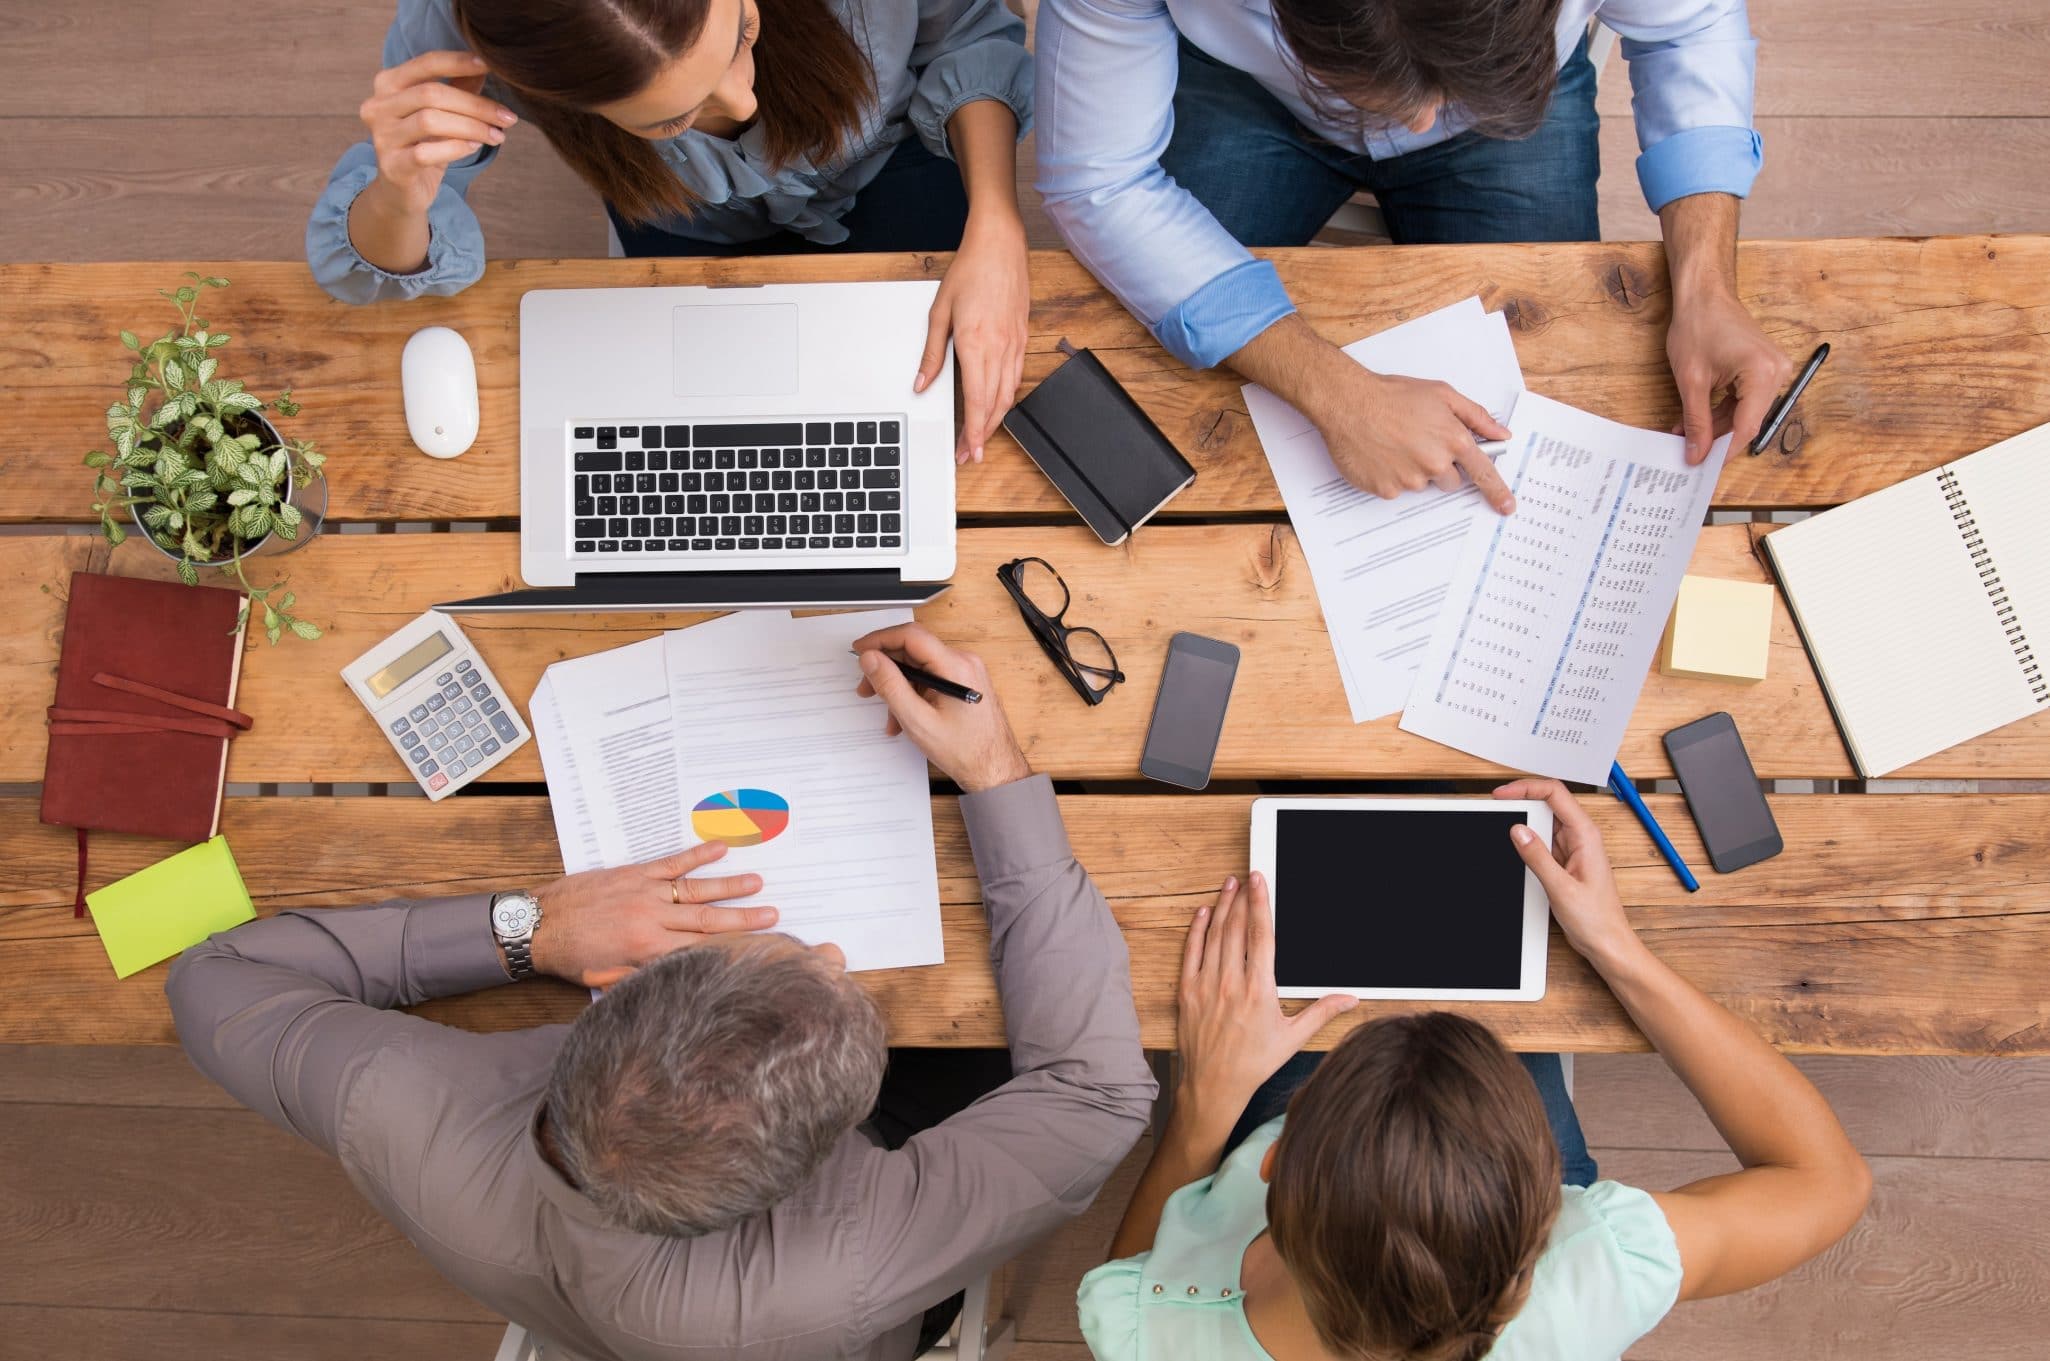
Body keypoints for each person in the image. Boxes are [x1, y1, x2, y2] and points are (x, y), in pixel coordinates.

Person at [168, 622, 1156, 1361]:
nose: (828, 956)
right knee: (1014, 1038)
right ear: (812, 1170)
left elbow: (214, 975)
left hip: (579, 1284)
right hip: (840, 1323)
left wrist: (533, 928)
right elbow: (1101, 1093)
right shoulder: (847, 1258)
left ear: (613, 1006)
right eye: (824, 975)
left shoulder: (393, 1104)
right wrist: (994, 771)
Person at [1079, 777, 1871, 1361]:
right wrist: (1617, 950)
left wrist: (1201, 1111)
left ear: (1279, 1163)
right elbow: (1829, 1180)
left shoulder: (1148, 1331)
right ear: (1547, 1224)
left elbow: (1131, 1274)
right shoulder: (1595, 1271)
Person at [1034, 0, 1796, 506]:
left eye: (1439, 100)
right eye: (1393, 93)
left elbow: (1690, 28)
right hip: (1247, 87)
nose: (1425, 123)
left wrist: (1705, 288)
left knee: (1547, 423)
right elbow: (1100, 179)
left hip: (1507, 92)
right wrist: (1334, 389)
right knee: (1149, 397)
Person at [309, 0, 1034, 459]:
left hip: (895, 161)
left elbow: (965, 35)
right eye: (670, 120)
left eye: (741, 33)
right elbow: (372, 262)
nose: (744, 100)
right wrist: (402, 192)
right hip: (686, 219)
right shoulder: (474, 30)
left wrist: (997, 222)